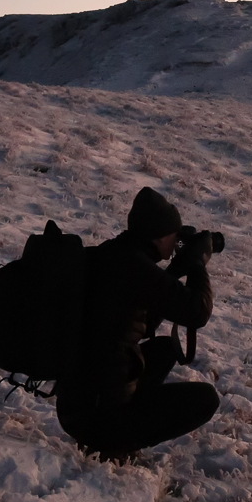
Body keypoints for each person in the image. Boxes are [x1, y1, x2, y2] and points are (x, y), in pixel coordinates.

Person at [55, 187, 219, 460]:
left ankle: (117, 425)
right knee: (206, 399)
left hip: (75, 404)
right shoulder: (135, 268)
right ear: (160, 236)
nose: (177, 243)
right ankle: (115, 443)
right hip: (97, 418)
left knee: (165, 349)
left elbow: (143, 316)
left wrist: (176, 269)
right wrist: (197, 264)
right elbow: (197, 312)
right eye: (175, 236)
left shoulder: (114, 254)